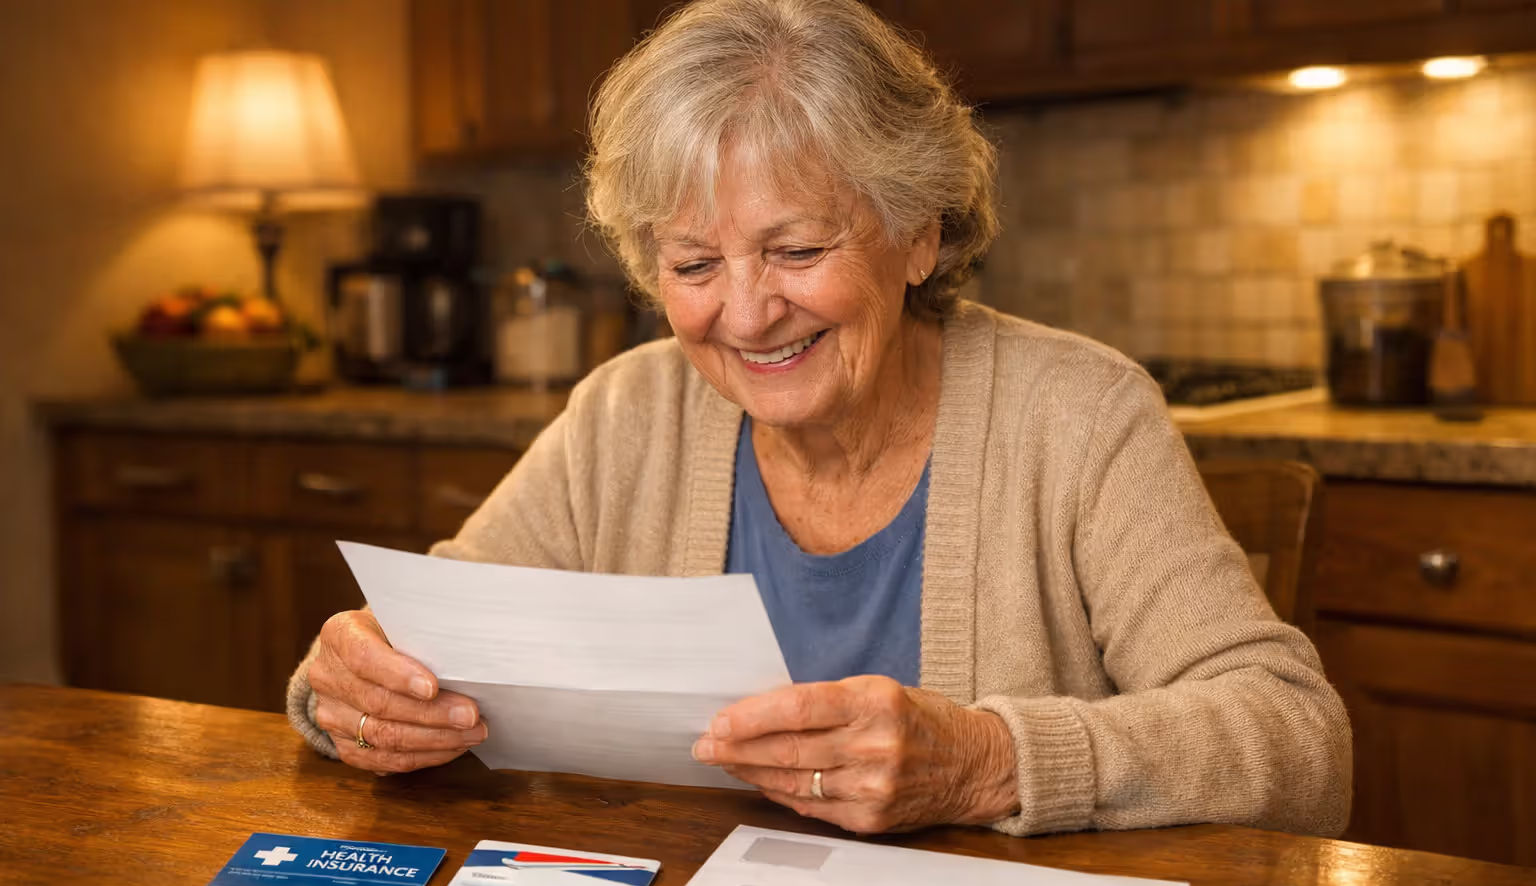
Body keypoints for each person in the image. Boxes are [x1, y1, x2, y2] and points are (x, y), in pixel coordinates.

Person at [286, 0, 1351, 838]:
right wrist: (357, 691)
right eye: (694, 264)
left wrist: (985, 761)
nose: (746, 314)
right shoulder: (627, 412)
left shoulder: (1079, 414)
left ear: (918, 232)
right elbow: (407, 650)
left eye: (797, 251)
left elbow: (1298, 743)